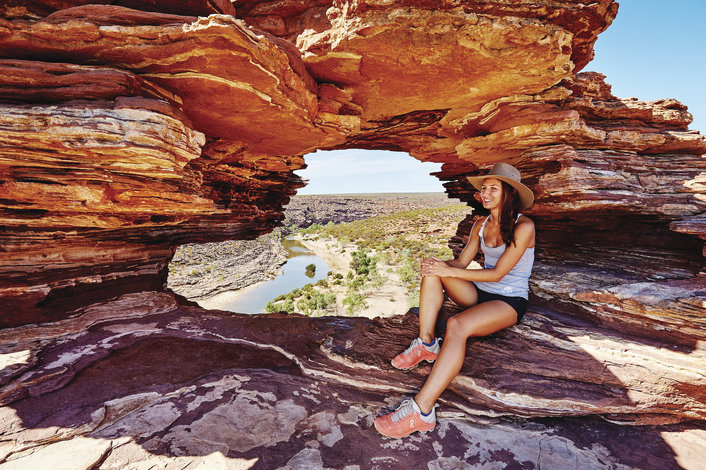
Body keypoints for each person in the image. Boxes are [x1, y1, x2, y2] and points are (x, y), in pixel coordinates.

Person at [374, 162, 535, 439]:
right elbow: (461, 262)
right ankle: (426, 344)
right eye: (484, 189)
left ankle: (421, 412)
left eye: (492, 189)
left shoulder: (524, 226)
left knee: (457, 325)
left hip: (508, 300)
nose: (485, 194)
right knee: (433, 275)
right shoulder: (480, 224)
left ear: (508, 193)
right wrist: (436, 265)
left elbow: (498, 274)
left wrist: (447, 269)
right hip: (480, 292)